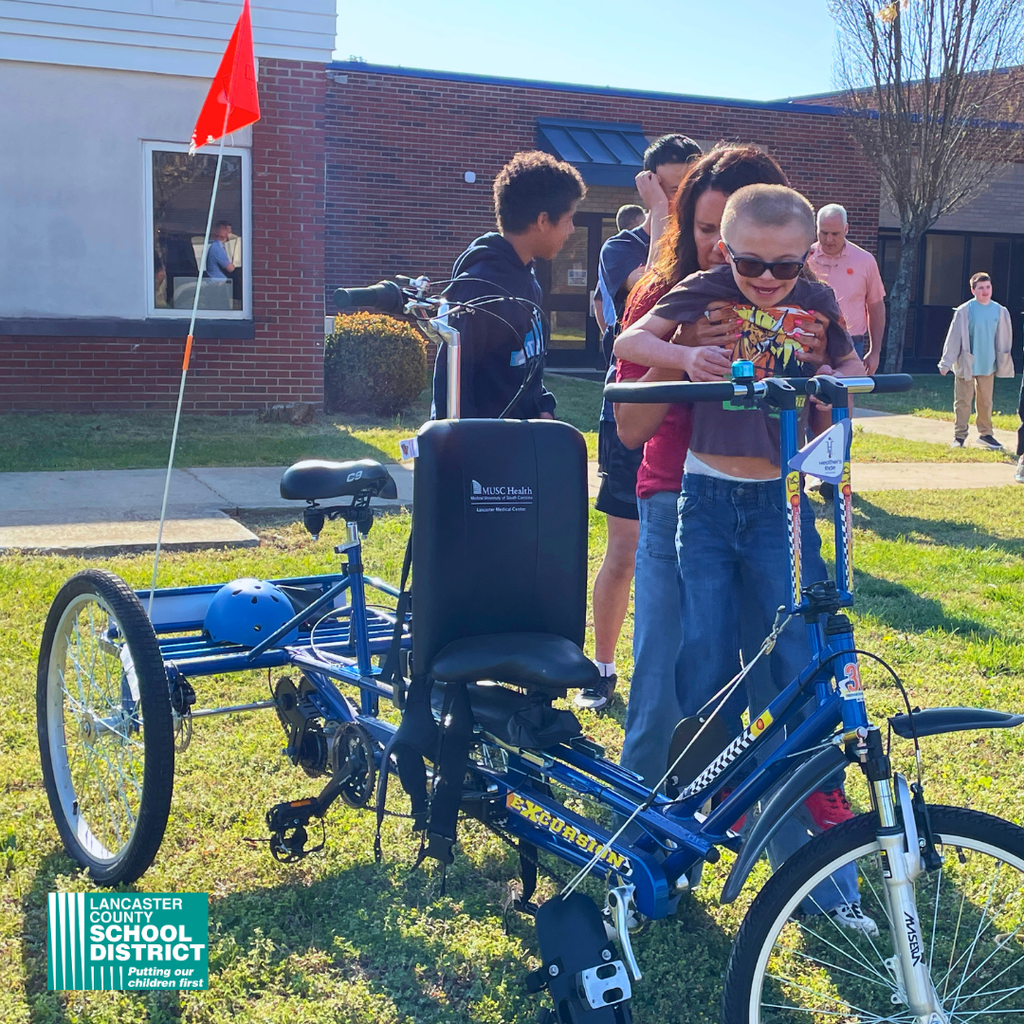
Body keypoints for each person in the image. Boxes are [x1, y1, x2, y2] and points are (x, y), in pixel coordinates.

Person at [616, 185, 875, 931]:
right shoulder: (700, 289)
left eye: (784, 266)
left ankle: (822, 871)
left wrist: (833, 384)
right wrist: (684, 354)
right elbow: (629, 347)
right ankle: (686, 829)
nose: (765, 279)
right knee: (697, 667)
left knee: (793, 660)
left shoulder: (818, 298)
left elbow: (855, 370)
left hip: (778, 503)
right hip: (697, 495)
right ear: (723, 249)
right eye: (750, 262)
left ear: (809, 255)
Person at [578, 135, 701, 711]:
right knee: (626, 548)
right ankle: (603, 668)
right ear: (647, 183)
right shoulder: (623, 246)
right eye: (668, 188)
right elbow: (646, 296)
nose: (679, 201)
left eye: (687, 188)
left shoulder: (717, 249)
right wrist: (657, 216)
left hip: (693, 416)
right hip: (631, 405)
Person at [432, 151, 585, 419]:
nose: (571, 229)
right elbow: (452, 380)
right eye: (568, 219)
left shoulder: (527, 278)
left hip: (519, 442)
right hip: (484, 450)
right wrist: (459, 447)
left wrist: (542, 407)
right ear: (542, 221)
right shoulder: (480, 287)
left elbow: (523, 366)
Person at [806, 204, 886, 374]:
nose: (829, 240)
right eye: (823, 233)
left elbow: (875, 306)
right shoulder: (805, 258)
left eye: (835, 234)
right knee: (809, 396)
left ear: (846, 229)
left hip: (850, 343)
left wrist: (875, 351)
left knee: (845, 396)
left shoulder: (865, 261)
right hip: (810, 341)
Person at [939, 271, 1014, 450]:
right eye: (980, 288)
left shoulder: (999, 311)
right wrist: (946, 362)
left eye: (988, 287)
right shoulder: (964, 311)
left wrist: (1003, 361)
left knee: (986, 401)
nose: (985, 291)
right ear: (973, 290)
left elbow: (1004, 339)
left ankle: (986, 434)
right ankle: (960, 436)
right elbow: (954, 337)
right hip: (967, 363)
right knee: (963, 401)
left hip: (988, 363)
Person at [593, 205, 645, 336]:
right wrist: (609, 335)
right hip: (621, 329)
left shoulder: (612, 256)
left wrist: (606, 333)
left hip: (617, 330)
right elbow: (598, 301)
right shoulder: (616, 249)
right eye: (644, 222)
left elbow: (598, 300)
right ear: (637, 223)